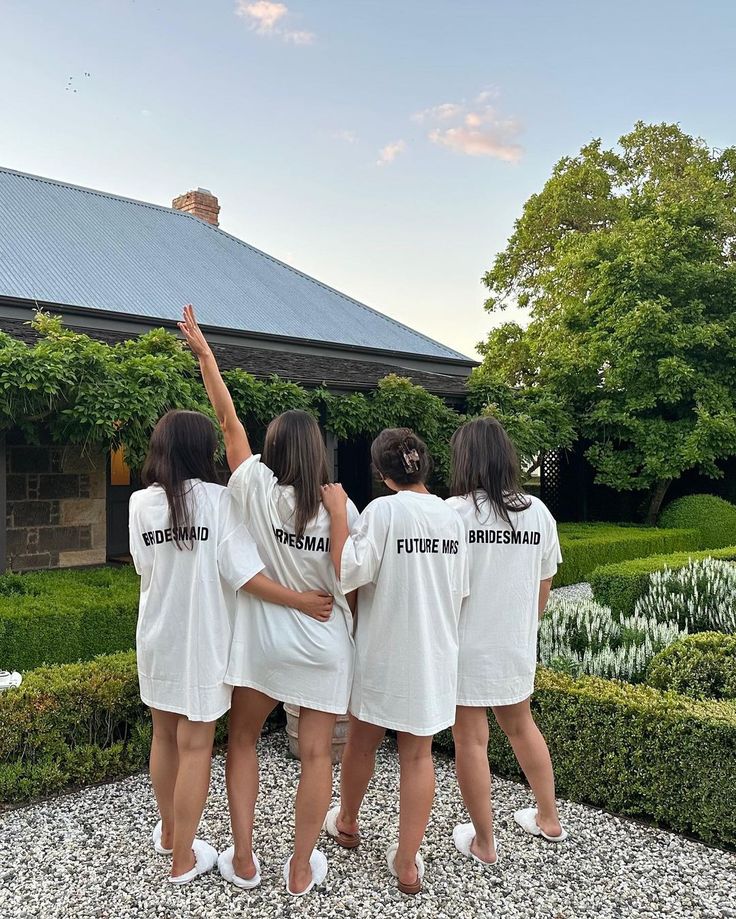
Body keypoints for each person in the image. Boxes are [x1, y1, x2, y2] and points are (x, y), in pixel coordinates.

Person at [179, 305, 357, 897]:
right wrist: (335, 518)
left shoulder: (254, 485)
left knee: (244, 740)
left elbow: (228, 425)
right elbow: (350, 577)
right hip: (324, 644)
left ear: (275, 449)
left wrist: (207, 356)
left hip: (262, 644)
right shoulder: (340, 507)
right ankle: (301, 866)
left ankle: (248, 857)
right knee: (315, 759)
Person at [129, 410, 334, 885]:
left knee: (163, 737)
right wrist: (302, 600)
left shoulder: (140, 502)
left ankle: (170, 837)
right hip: (205, 640)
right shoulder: (221, 502)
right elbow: (245, 574)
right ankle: (183, 858)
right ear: (202, 451)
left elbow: (144, 566)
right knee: (195, 745)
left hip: (157, 636)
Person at [321, 428, 468, 896]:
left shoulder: (383, 511)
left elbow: (348, 570)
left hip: (383, 650)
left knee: (362, 742)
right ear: (424, 466)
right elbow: (459, 592)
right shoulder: (451, 519)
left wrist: (339, 515)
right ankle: (407, 863)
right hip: (434, 652)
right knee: (418, 755)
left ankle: (346, 822)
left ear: (382, 474)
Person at [445, 416, 566, 867]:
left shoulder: (454, 514)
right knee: (521, 726)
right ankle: (548, 817)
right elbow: (544, 583)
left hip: (463, 645)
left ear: (465, 459)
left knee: (471, 741)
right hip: (514, 644)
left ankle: (485, 841)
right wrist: (519, 631)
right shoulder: (538, 512)